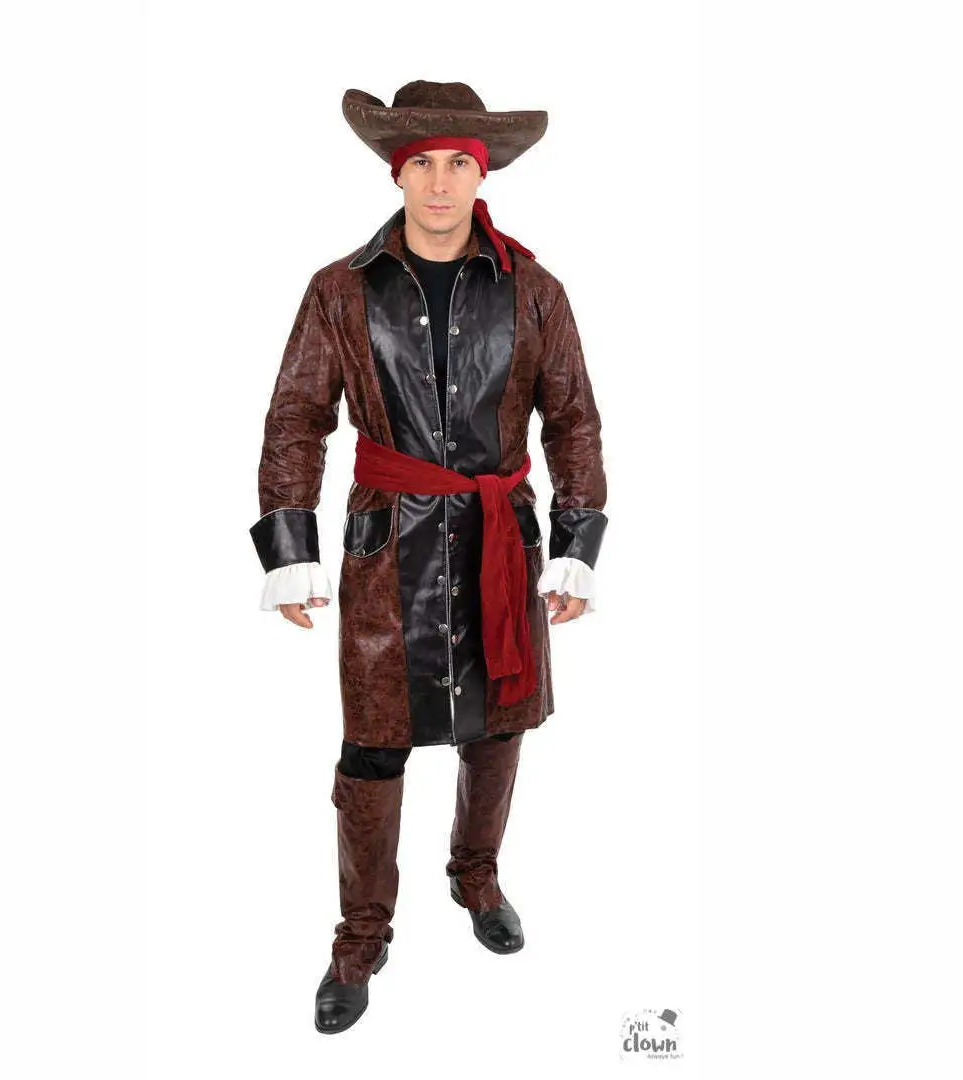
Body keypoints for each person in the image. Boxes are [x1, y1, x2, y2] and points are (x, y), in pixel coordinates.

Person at [249, 80, 609, 1034]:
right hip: (388, 551)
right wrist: (290, 547)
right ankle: (361, 934)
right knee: (373, 745)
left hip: (499, 541)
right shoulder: (340, 289)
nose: (440, 183)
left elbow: (572, 419)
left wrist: (576, 544)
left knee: (499, 725)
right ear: (395, 173)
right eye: (421, 163)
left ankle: (475, 877)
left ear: (481, 174)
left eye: (458, 163)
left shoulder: (535, 290)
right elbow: (296, 417)